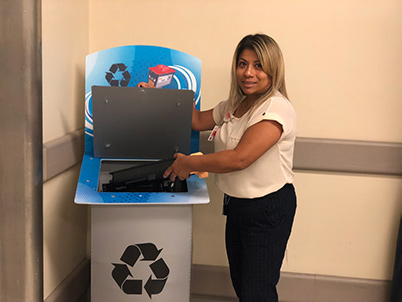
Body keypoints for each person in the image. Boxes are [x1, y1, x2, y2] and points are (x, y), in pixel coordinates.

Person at [141, 33, 297, 302]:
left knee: (257, 291)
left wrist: (188, 163)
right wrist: (163, 96)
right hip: (238, 205)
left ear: (273, 68)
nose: (248, 73)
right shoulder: (235, 104)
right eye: (242, 63)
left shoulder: (276, 107)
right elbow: (197, 119)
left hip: (267, 208)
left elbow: (240, 158)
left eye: (258, 65)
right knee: (243, 285)